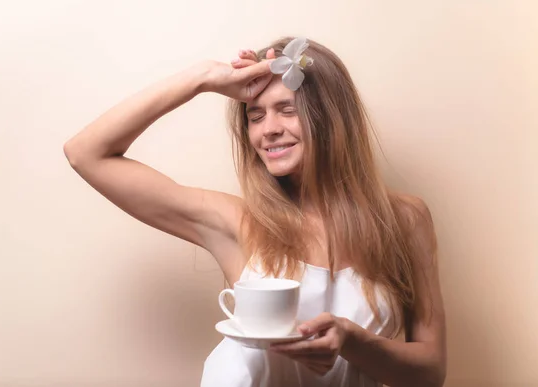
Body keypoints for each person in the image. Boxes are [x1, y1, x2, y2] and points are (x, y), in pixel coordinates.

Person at [63, 36, 447, 387]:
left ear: (331, 118)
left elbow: (430, 372)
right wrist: (203, 78)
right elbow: (86, 153)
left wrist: (353, 342)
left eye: (286, 110)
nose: (269, 130)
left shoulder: (404, 220)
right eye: (255, 115)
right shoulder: (238, 222)